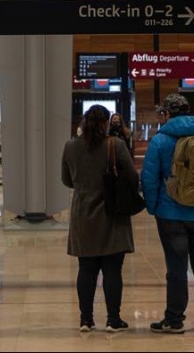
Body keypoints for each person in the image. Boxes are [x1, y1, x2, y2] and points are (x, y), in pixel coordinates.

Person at [141, 93, 194, 334]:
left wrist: (154, 207)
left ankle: (174, 320)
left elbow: (149, 177)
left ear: (167, 114)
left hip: (171, 214)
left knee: (176, 268)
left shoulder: (160, 140)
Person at [61, 104, 136, 333]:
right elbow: (132, 176)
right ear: (106, 123)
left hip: (83, 215)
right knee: (113, 270)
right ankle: (113, 320)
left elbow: (66, 180)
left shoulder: (71, 146)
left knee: (86, 269)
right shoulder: (116, 145)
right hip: (112, 215)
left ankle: (86, 319)